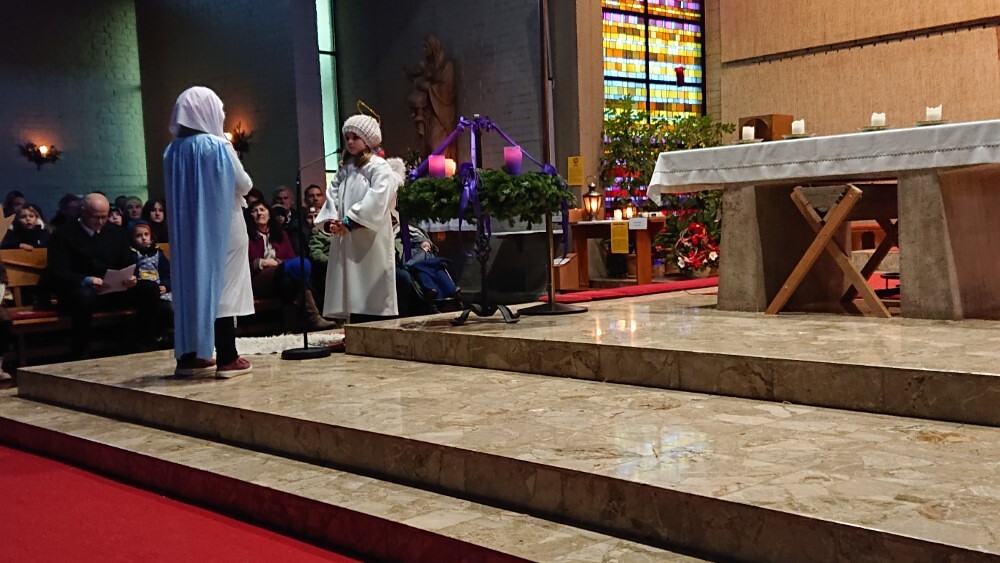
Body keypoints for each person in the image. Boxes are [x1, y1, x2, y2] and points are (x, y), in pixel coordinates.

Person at [165, 86, 254, 378]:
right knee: (223, 287)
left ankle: (190, 356)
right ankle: (228, 356)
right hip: (222, 226)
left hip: (187, 230)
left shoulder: (172, 151)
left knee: (191, 286)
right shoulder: (217, 146)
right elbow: (244, 185)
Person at [45, 193, 162, 358]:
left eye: (104, 217)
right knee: (83, 297)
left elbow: (128, 260)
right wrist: (87, 280)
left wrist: (131, 277)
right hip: (80, 289)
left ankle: (145, 343)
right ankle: (81, 350)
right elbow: (58, 270)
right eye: (96, 217)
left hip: (114, 288)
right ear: (83, 211)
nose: (101, 221)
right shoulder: (63, 234)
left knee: (150, 289)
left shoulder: (115, 232)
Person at [316, 114, 403, 323]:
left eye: (355, 137)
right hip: (346, 236)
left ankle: (373, 325)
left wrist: (350, 221)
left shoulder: (378, 166)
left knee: (369, 283)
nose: (350, 142)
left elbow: (378, 198)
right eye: (347, 137)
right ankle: (354, 323)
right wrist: (331, 221)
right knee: (350, 286)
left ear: (368, 140)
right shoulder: (346, 168)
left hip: (369, 235)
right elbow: (332, 194)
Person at [247, 201, 336, 332]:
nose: (259, 213)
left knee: (289, 280)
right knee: (300, 266)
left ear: (269, 214)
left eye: (262, 209)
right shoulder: (247, 237)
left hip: (281, 277)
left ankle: (290, 326)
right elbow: (242, 266)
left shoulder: (281, 234)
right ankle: (313, 317)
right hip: (259, 280)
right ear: (250, 216)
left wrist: (277, 262)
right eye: (255, 211)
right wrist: (261, 262)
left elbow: (290, 257)